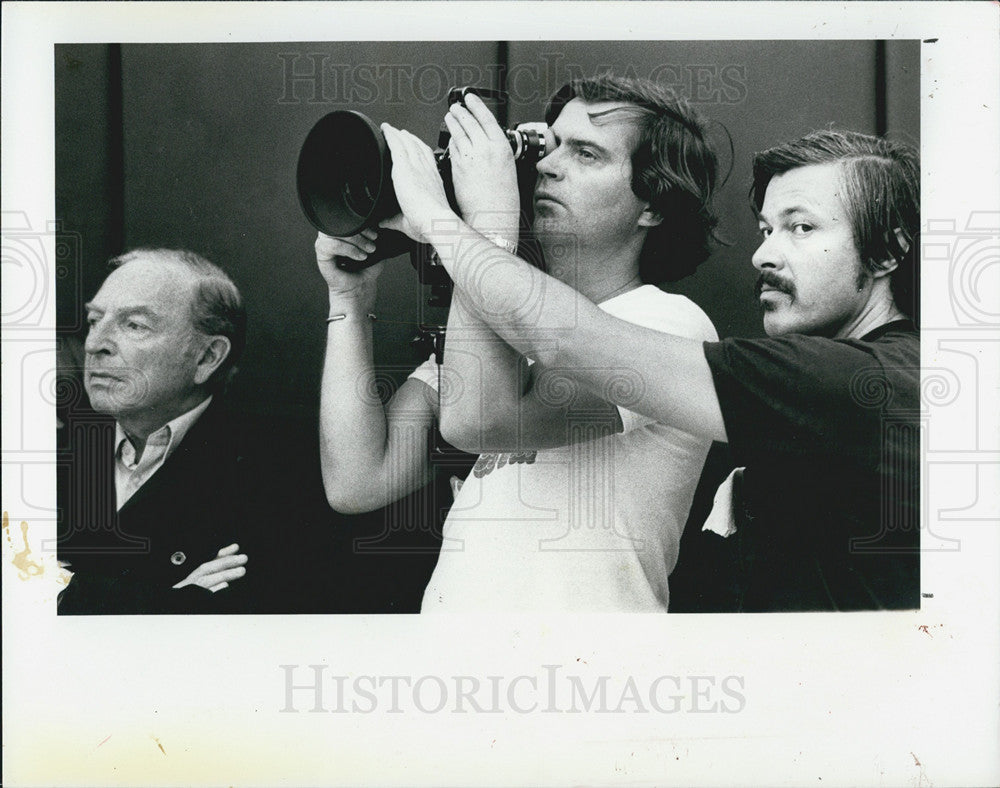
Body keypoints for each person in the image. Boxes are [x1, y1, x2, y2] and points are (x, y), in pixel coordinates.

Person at [380, 116, 921, 612]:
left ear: (887, 252)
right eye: (765, 231)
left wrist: (443, 215)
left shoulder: (865, 378)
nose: (763, 256)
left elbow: (569, 344)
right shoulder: (839, 382)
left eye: (802, 228)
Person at [317, 75, 722, 611]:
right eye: (549, 146)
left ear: (653, 203)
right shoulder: (491, 328)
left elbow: (479, 420)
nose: (549, 167)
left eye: (586, 154)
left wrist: (475, 220)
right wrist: (348, 300)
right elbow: (357, 479)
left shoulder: (669, 326)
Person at [57, 248, 313, 614]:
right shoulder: (49, 453)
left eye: (134, 325)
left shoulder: (272, 472)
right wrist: (170, 601)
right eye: (95, 320)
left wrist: (67, 591)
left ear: (207, 358)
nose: (95, 344)